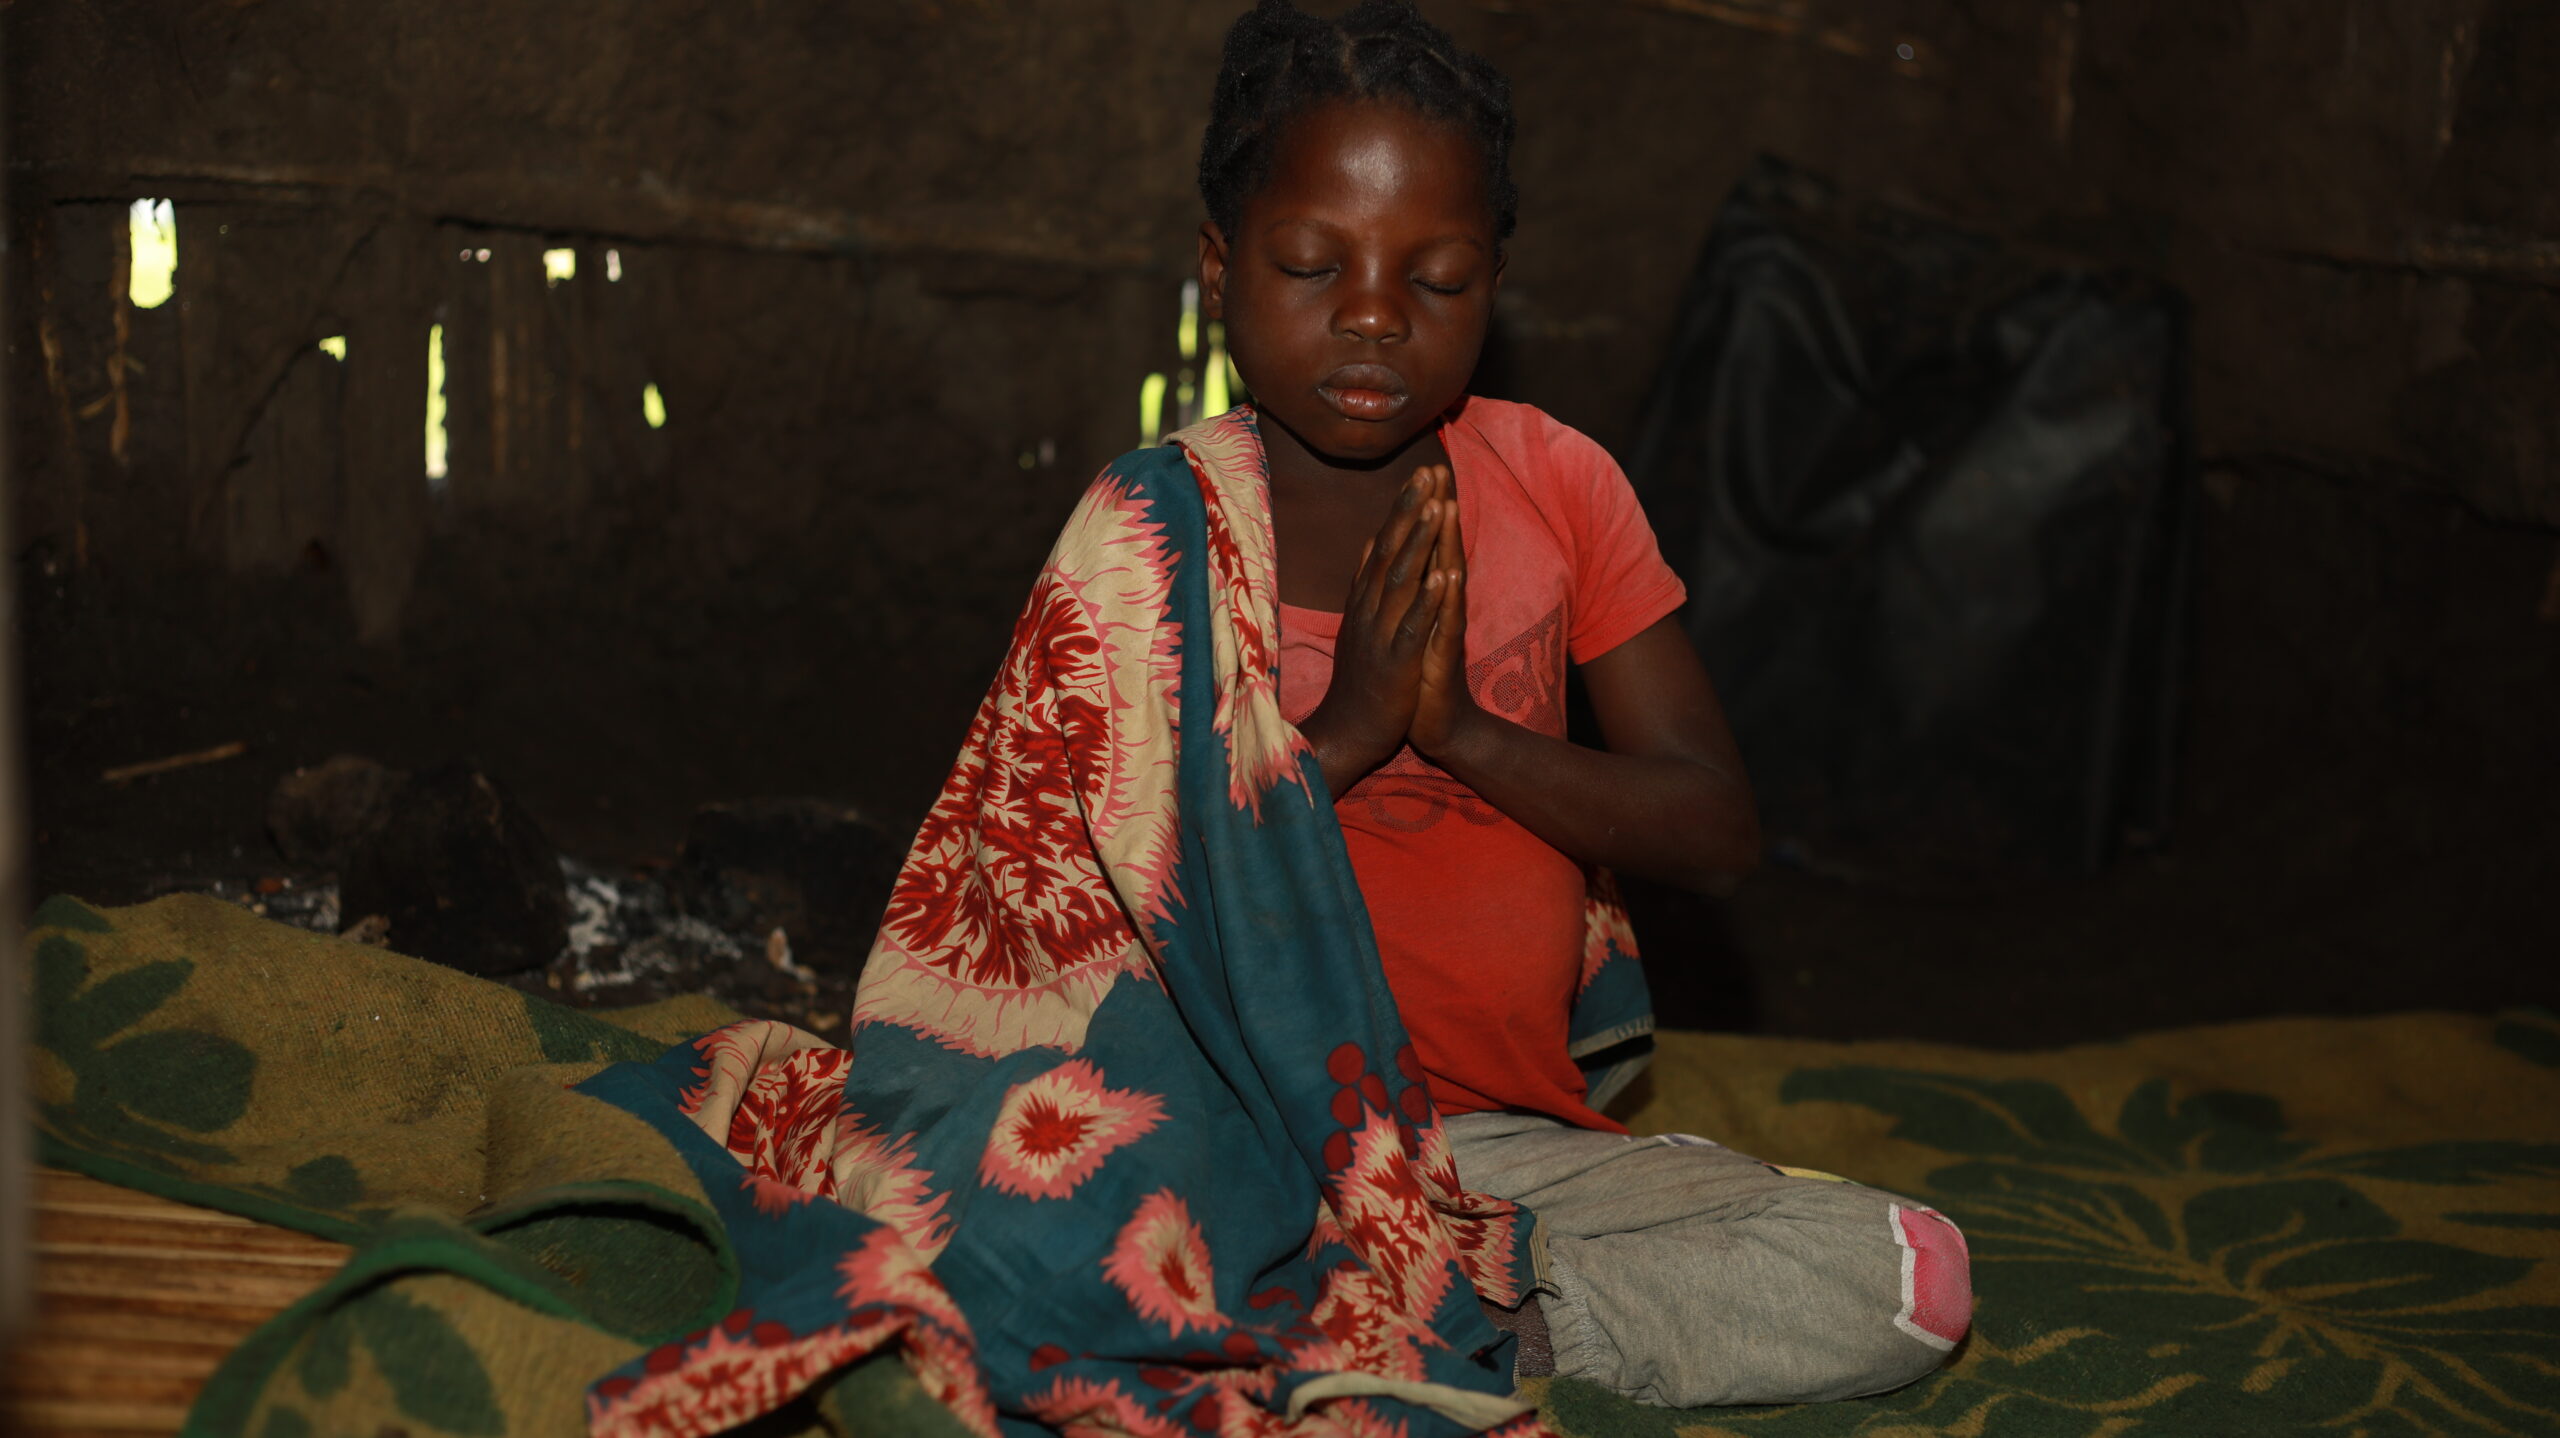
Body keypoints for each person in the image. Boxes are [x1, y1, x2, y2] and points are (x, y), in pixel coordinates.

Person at [1188, 0, 1971, 1408]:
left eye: (1436, 278)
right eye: (1314, 264)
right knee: (1038, 1202)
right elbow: (1105, 884)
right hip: (1233, 1135)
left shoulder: (1557, 484)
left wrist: (1467, 734)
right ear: (1218, 267)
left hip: (1489, 1151)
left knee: (1905, 1268)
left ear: (1497, 283)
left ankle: (1495, 1326)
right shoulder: (1160, 533)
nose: (1373, 314)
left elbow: (1713, 824)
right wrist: (1358, 729)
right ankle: (1372, 1306)